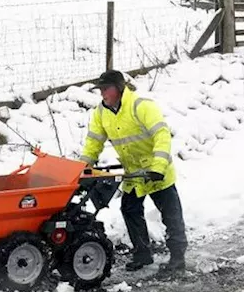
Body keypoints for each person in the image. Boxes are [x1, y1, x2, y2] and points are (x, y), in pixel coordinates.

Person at [77, 70, 187, 273]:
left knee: (170, 214)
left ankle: (178, 256)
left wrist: (158, 167)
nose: (103, 94)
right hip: (134, 174)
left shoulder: (141, 105)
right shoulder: (101, 113)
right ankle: (142, 254)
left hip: (157, 171)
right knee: (130, 209)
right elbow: (93, 143)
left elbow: (162, 135)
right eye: (100, 90)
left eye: (106, 89)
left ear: (119, 88)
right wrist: (82, 168)